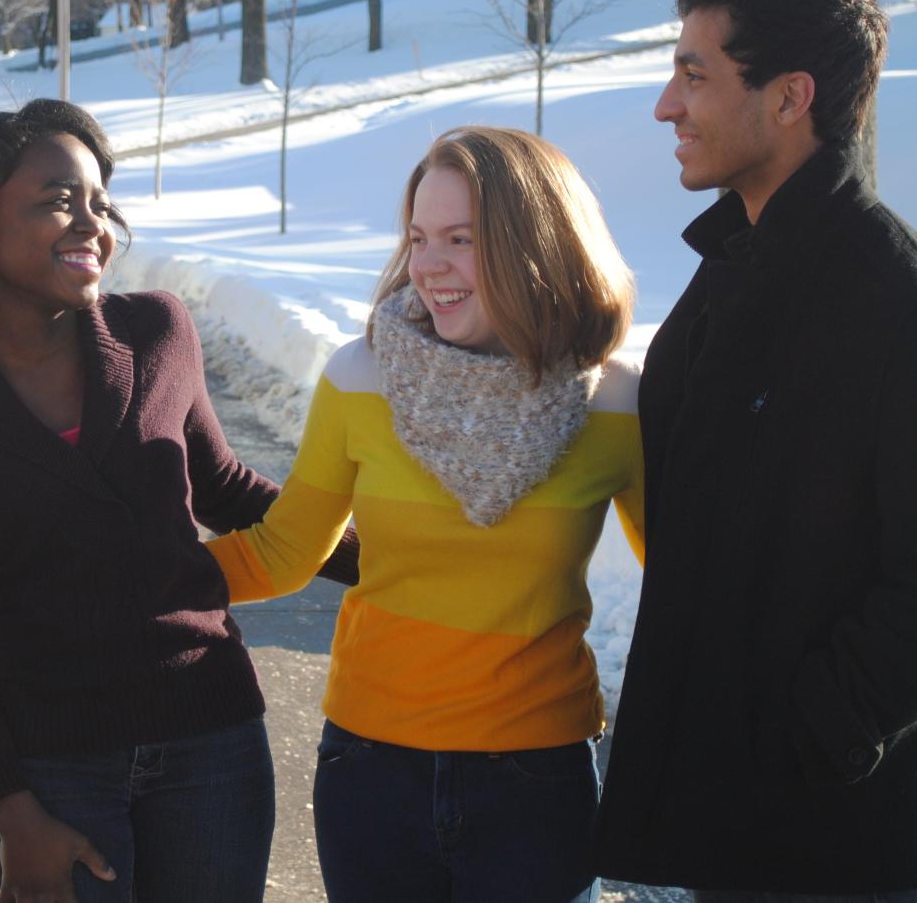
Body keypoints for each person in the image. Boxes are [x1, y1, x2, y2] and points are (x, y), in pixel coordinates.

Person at [0, 99, 357, 903]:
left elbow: (227, 488)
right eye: (59, 199)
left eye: (99, 201)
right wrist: (12, 810)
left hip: (213, 744)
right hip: (48, 765)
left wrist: (398, 561)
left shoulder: (157, 329)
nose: (92, 223)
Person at [205, 125, 643, 902]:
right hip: (371, 771)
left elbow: (689, 581)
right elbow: (284, 551)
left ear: (535, 242)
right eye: (417, 237)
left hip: (538, 779)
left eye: (461, 239)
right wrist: (133, 582)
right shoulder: (361, 375)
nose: (428, 265)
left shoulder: (615, 402)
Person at [593, 0, 917, 898]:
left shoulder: (892, 298)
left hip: (823, 840)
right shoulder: (732, 266)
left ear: (790, 97)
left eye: (696, 75)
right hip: (721, 821)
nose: (667, 105)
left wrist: (819, 729)